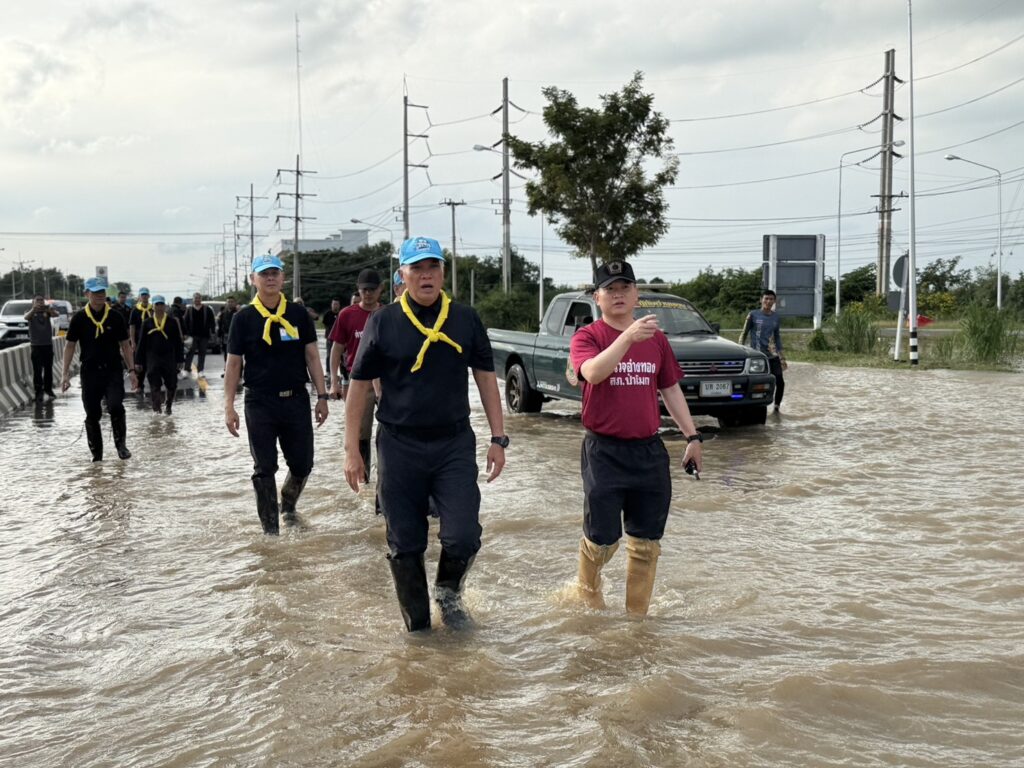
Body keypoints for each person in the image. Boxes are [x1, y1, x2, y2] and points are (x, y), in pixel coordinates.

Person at [343, 236, 507, 632]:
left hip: (453, 444)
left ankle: (448, 595)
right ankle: (418, 630)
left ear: (443, 273)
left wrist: (498, 438)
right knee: (405, 544)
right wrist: (352, 450)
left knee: (463, 535)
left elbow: (486, 378)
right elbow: (359, 386)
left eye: (433, 266)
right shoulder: (383, 322)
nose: (426, 275)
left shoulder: (465, 319)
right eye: (417, 268)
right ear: (402, 275)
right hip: (399, 445)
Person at [568, 259, 704, 617]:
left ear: (636, 294)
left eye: (625, 287)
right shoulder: (587, 337)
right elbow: (593, 373)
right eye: (610, 289)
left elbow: (670, 389)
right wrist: (627, 337)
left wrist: (692, 437)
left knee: (646, 543)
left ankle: (636, 623)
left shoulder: (656, 339)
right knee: (602, 541)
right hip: (603, 451)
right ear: (597, 297)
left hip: (648, 452)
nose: (618, 294)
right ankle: (588, 603)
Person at [224, 254, 329, 535]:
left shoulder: (298, 315)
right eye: (264, 274)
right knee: (264, 467)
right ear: (253, 279)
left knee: (303, 464)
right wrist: (228, 406)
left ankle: (288, 505)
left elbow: (312, 356)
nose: (270, 278)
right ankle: (270, 533)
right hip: (259, 401)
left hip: (295, 399)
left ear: (283, 278)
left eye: (275, 273)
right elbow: (233, 364)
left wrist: (322, 396)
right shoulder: (243, 318)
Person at [61, 278, 137, 461]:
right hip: (90, 372)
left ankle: (121, 446)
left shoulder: (115, 317)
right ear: (87, 294)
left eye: (102, 292)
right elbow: (70, 346)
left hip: (112, 370)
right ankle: (97, 454)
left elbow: (125, 345)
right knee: (93, 413)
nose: (100, 296)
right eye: (95, 293)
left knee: (115, 406)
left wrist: (132, 371)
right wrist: (65, 374)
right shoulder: (79, 318)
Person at [329, 269, 384, 481]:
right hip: (359, 381)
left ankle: (387, 475)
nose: (368, 294)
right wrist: (334, 381)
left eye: (372, 289)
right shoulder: (347, 315)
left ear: (380, 289)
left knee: (391, 430)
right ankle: (363, 479)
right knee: (360, 433)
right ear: (358, 290)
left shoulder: (387, 314)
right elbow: (336, 350)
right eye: (364, 290)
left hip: (386, 380)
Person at [135, 295, 184, 414]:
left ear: (165, 306)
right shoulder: (147, 323)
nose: (159, 307)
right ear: (153, 306)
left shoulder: (172, 322)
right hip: (153, 357)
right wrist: (138, 361)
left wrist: (180, 359)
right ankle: (157, 410)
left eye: (161, 304)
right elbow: (141, 342)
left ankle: (168, 406)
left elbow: (178, 342)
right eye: (157, 304)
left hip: (169, 357)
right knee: (154, 384)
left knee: (172, 384)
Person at [740, 288, 786, 412]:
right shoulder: (753, 314)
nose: (768, 301)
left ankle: (776, 408)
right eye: (766, 299)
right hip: (757, 356)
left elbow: (777, 336)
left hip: (772, 355)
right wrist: (741, 350)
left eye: (771, 299)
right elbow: (744, 333)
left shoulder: (776, 317)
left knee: (780, 382)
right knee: (757, 384)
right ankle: (754, 407)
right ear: (761, 300)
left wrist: (781, 355)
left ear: (774, 301)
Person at [24, 296, 58, 401]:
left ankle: (48, 390)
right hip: (36, 346)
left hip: (47, 344)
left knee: (48, 369)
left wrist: (49, 309)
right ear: (33, 303)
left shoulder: (47, 311)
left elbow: (56, 314)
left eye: (41, 301)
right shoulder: (30, 312)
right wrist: (33, 309)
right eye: (37, 301)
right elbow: (26, 317)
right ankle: (38, 392)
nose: (40, 303)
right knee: (37, 370)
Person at [184, 292, 216, 374]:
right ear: (193, 299)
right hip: (192, 335)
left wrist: (213, 331)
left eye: (198, 298)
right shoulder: (189, 309)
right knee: (190, 352)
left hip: (204, 335)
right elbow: (185, 322)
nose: (197, 300)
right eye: (195, 298)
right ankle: (187, 369)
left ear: (201, 299)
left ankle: (200, 370)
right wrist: (185, 333)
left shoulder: (207, 309)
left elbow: (212, 321)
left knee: (202, 352)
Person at [217, 297, 240, 377]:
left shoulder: (239, 313)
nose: (230, 303)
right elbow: (220, 325)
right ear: (226, 303)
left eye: (232, 302)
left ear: (235, 303)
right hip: (226, 335)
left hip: (237, 336)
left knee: (237, 354)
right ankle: (227, 371)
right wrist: (219, 336)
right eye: (228, 302)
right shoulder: (223, 314)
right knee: (226, 354)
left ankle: (238, 372)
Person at [321, 299, 342, 385]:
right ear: (331, 305)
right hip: (330, 338)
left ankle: (341, 372)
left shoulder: (341, 314)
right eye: (334, 304)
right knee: (329, 355)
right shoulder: (328, 314)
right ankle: (328, 372)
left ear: (339, 305)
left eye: (337, 304)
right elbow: (325, 324)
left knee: (341, 356)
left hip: (340, 339)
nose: (335, 306)